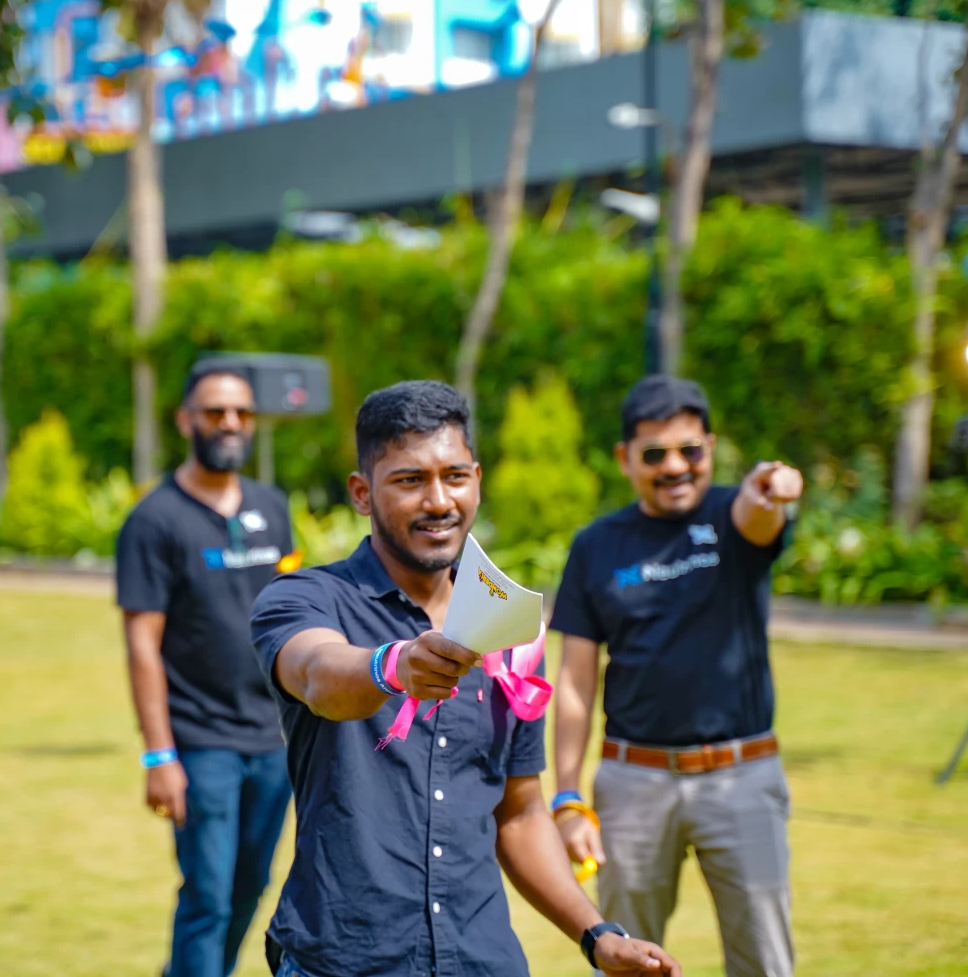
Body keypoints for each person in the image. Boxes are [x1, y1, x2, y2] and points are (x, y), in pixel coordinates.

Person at [250, 380, 681, 977]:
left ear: (476, 479)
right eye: (408, 480)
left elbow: (521, 813)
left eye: (454, 476)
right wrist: (394, 664)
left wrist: (597, 935)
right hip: (343, 957)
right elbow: (320, 675)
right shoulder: (306, 597)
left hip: (481, 959)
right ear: (360, 492)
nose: (438, 501)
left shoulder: (511, 628)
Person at [550, 375, 803, 977]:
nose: (675, 467)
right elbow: (575, 683)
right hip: (632, 783)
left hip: (741, 777)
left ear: (710, 448)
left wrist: (772, 487)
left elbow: (761, 513)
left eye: (690, 450)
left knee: (765, 962)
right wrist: (566, 796)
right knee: (628, 959)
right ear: (625, 459)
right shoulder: (596, 546)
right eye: (655, 454)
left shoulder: (731, 518)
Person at [117, 364, 296, 977]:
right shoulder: (153, 521)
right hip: (199, 742)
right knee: (207, 897)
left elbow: (292, 610)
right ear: (185, 419)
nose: (230, 424)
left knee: (252, 885)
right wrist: (158, 755)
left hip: (273, 740)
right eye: (215, 411)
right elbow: (142, 643)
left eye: (242, 413)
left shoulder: (272, 507)